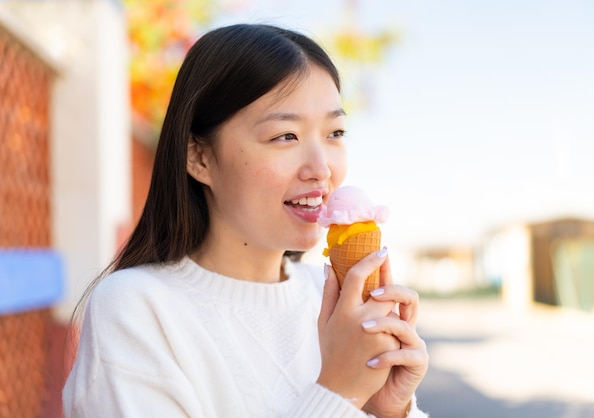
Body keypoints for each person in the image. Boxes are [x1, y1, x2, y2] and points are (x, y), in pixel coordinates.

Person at [63, 23, 429, 417]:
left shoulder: (327, 297)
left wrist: (388, 410)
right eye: (285, 136)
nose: (321, 169)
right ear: (199, 157)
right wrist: (339, 395)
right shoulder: (137, 309)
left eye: (335, 132)